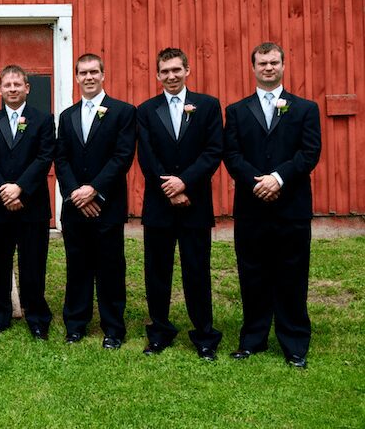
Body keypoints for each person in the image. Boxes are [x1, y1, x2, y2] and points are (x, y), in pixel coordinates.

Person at [223, 42, 321, 369]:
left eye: (274, 62)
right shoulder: (237, 111)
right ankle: (253, 339)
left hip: (291, 206)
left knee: (292, 274)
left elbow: (309, 153)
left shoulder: (304, 108)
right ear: (253, 67)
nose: (268, 68)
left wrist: (278, 178)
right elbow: (232, 155)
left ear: (283, 65)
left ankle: (294, 345)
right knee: (252, 274)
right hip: (251, 207)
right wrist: (258, 182)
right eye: (262, 63)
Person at [136, 48, 223, 360]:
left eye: (176, 69)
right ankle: (159, 332)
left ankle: (204, 336)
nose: (171, 76)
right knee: (157, 272)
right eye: (165, 71)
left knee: (196, 270)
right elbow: (146, 156)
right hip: (159, 206)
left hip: (195, 203)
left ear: (187, 70)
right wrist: (169, 188)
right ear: (158, 75)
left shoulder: (208, 106)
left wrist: (184, 182)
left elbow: (213, 151)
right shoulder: (146, 110)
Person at [55, 53, 136, 349]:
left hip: (107, 204)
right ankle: (75, 324)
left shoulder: (123, 112)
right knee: (77, 266)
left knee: (110, 268)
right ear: (76, 77)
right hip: (75, 207)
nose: (88, 77)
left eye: (93, 72)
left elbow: (122, 156)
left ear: (103, 75)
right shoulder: (67, 116)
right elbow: (61, 158)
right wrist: (75, 193)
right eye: (83, 73)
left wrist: (95, 190)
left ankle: (113, 328)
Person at [0, 65, 55, 340]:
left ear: (27, 88)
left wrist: (20, 188)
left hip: (32, 205)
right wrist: (4, 192)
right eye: (7, 85)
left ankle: (37, 318)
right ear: (0, 90)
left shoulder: (43, 120)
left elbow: (44, 158)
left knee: (33, 263)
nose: (12, 89)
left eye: (17, 85)